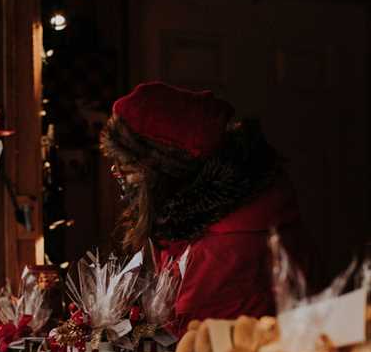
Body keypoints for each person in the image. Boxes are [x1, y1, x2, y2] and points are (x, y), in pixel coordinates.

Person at [100, 81, 318, 335]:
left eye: (126, 167)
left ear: (165, 169)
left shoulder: (225, 250)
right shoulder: (195, 223)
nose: (118, 175)